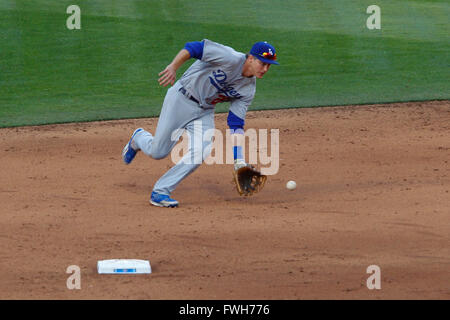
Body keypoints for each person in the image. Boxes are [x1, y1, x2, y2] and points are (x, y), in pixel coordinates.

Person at [122, 39, 279, 207]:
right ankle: (139, 138)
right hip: (181, 99)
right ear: (251, 59)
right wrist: (174, 66)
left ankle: (161, 191)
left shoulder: (248, 90)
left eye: (269, 66)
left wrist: (238, 159)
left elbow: (235, 124)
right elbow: (194, 47)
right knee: (158, 152)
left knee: (201, 152)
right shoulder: (229, 57)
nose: (265, 69)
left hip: (205, 111)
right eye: (263, 63)